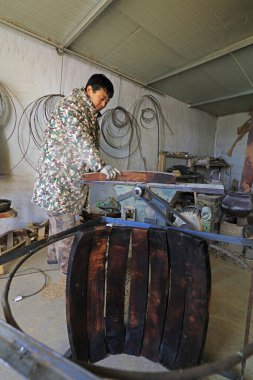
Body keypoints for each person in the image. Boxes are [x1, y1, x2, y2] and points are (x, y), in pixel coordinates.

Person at [32, 73, 121, 274]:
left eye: (107, 100)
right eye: (103, 98)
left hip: (61, 179)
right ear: (90, 90)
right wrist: (100, 165)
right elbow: (80, 139)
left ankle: (53, 258)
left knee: (57, 222)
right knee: (66, 228)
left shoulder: (86, 111)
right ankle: (70, 272)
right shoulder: (71, 107)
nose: (104, 104)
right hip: (59, 181)